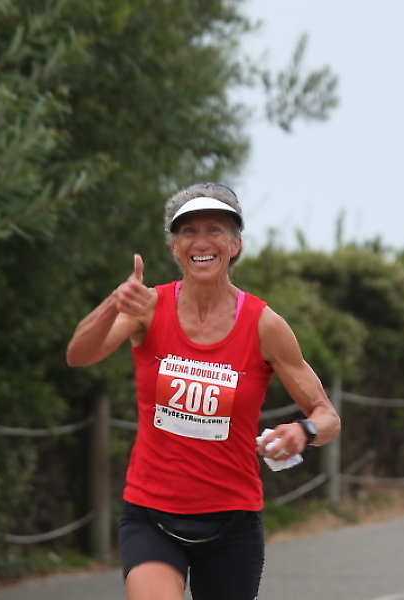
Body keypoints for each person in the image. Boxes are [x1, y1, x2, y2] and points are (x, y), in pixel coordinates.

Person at [66, 182, 341, 600]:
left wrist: (303, 431)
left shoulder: (264, 325)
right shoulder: (147, 307)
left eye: (214, 229)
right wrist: (113, 304)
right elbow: (79, 355)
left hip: (232, 524)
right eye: (188, 231)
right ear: (174, 247)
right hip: (151, 516)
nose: (201, 242)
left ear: (235, 245)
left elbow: (327, 416)